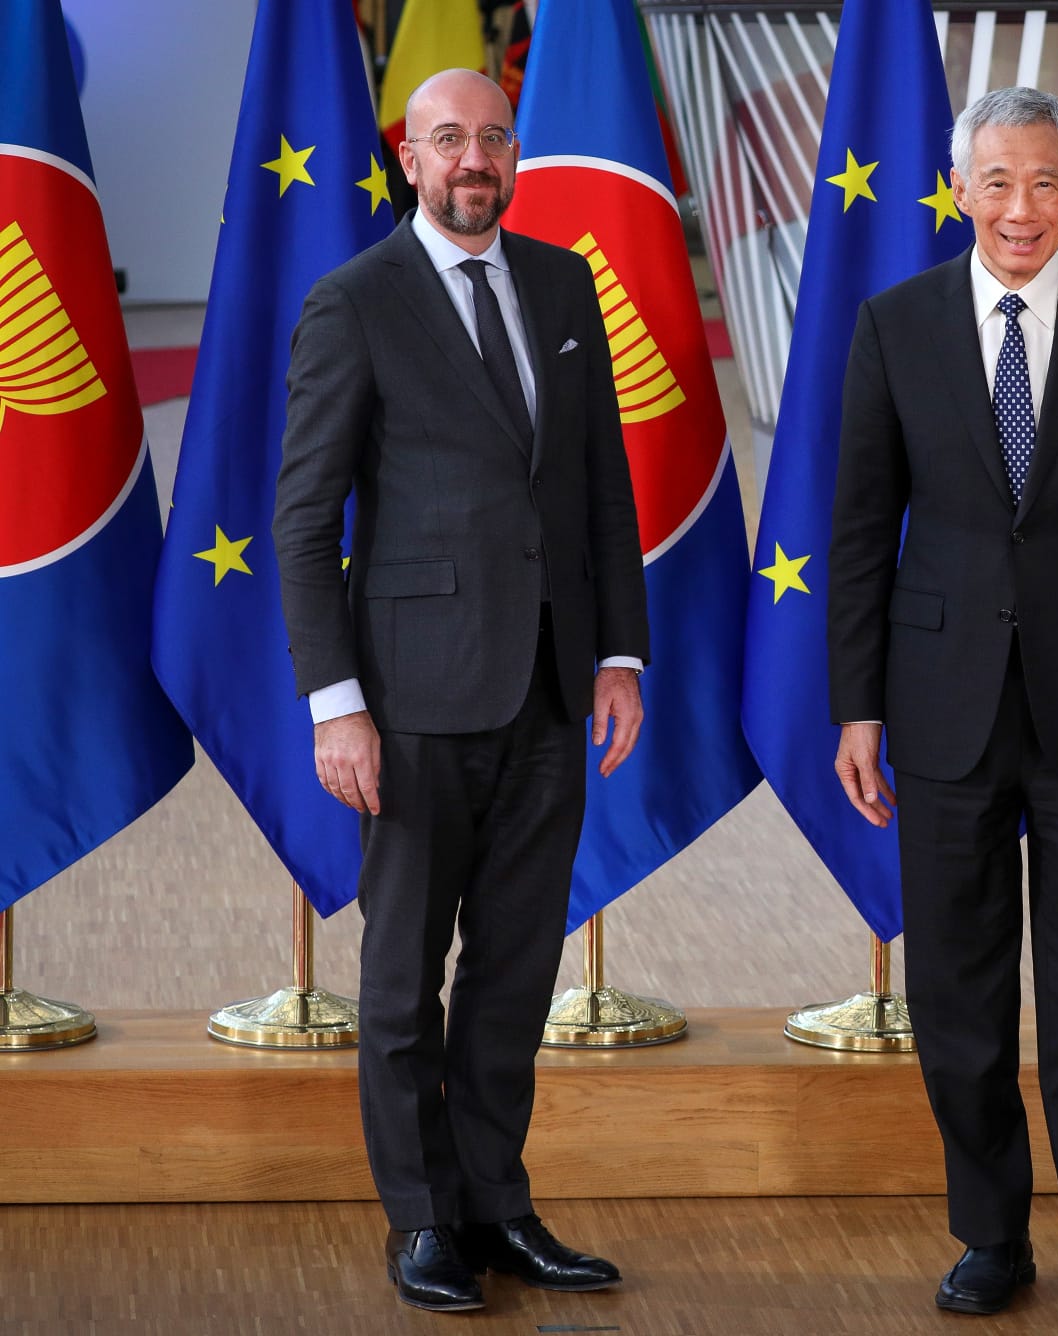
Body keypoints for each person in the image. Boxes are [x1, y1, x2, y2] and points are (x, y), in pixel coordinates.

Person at [827, 86, 1058, 1317]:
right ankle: (989, 1233)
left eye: (1043, 180)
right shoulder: (895, 325)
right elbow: (856, 534)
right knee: (958, 992)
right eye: (996, 181)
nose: (1021, 206)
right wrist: (856, 708)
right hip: (938, 712)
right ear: (962, 189)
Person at [273, 69, 648, 1314]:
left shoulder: (562, 283)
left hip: (550, 688)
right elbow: (302, 518)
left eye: (492, 138)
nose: (473, 158)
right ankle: (422, 1220)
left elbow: (599, 488)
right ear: (411, 159)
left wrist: (619, 654)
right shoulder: (355, 302)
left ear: (513, 154)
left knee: (516, 970)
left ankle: (498, 1202)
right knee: (401, 979)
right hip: (412, 697)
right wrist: (336, 703)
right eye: (449, 140)